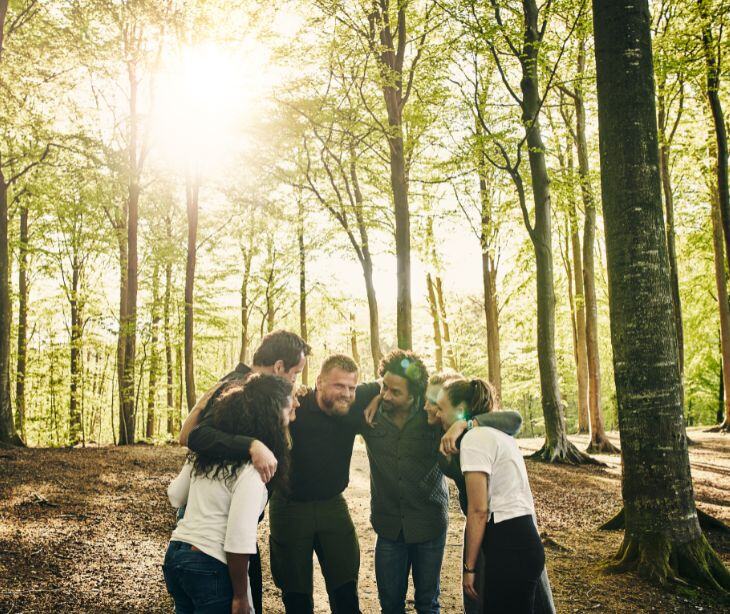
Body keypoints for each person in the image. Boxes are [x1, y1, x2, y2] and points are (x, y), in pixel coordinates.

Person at [185, 353, 380, 613]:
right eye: (339, 386)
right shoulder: (292, 406)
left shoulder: (354, 403)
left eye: (352, 387)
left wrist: (379, 396)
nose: (346, 393)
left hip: (332, 505)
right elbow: (200, 434)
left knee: (345, 589)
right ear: (319, 382)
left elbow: (392, 376)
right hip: (288, 506)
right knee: (296, 594)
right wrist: (250, 444)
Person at [360, 352, 521, 614]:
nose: (387, 395)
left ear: (414, 394)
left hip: (429, 525)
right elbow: (338, 391)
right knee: (389, 606)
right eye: (384, 387)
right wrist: (377, 394)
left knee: (428, 603)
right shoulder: (371, 414)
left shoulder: (433, 417)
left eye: (394, 392)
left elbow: (513, 420)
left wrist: (465, 424)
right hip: (388, 527)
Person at [177, 329, 311, 612]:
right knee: (241, 601)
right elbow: (196, 437)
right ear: (278, 368)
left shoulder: (255, 388)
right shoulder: (238, 387)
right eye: (295, 374)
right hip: (217, 527)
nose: (295, 383)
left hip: (226, 517)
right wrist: (252, 445)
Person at [163, 374, 293, 614]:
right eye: (288, 411)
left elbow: (176, 495)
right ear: (272, 418)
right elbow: (238, 539)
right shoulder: (252, 472)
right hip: (210, 565)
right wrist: (241, 597)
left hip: (176, 556)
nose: (292, 417)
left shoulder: (204, 455)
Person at [436, 378, 545, 614]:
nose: (438, 414)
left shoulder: (475, 439)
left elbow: (479, 510)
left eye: (442, 408)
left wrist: (469, 568)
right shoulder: (499, 434)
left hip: (509, 545)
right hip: (523, 539)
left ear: (461, 410)